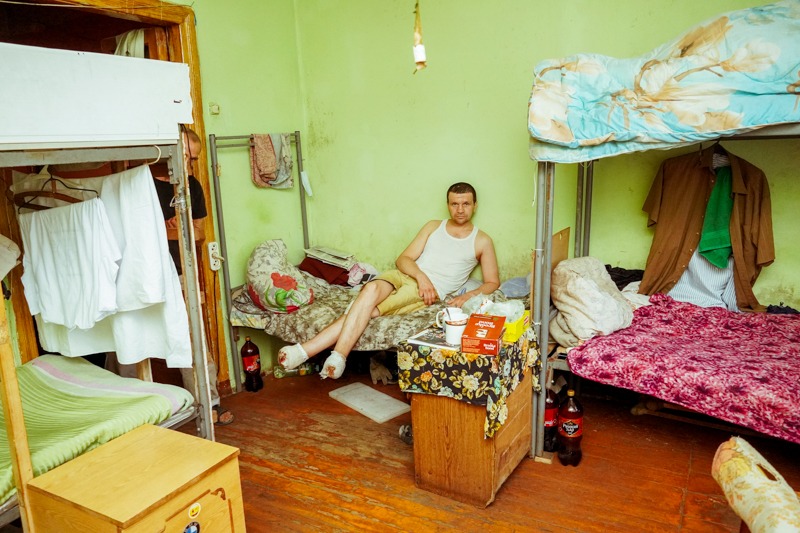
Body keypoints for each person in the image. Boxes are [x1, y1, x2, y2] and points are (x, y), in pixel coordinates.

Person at [279, 182, 500, 379]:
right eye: (454, 204)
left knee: (371, 311)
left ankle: (315, 352)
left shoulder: (482, 240)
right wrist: (421, 276)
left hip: (424, 291)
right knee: (370, 290)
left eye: (465, 204)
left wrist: (467, 296)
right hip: (406, 275)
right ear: (448, 205)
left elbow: (492, 282)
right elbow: (403, 259)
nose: (460, 209)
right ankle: (334, 356)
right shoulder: (434, 226)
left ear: (475, 205)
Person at [151, 128, 234, 426]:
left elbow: (198, 233)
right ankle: (128, 412)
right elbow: (135, 234)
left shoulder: (192, 186)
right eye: (185, 155)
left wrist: (174, 228)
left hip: (180, 271)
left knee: (193, 336)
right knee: (130, 336)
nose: (188, 163)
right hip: (145, 272)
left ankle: (208, 402)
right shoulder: (141, 184)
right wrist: (168, 228)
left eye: (193, 158)